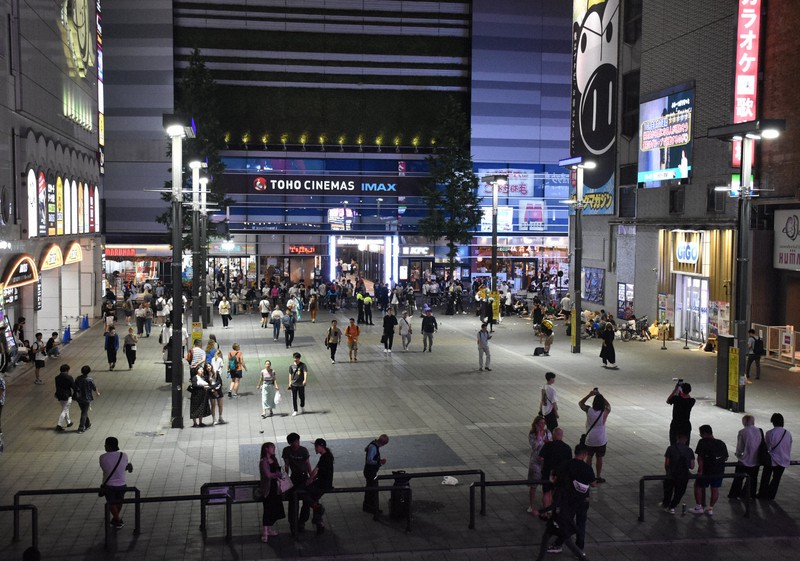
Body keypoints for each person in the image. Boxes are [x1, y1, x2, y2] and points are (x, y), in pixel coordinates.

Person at [536, 444, 595, 559]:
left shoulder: (566, 464)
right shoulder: (587, 468)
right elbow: (593, 483)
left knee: (565, 523)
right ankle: (579, 548)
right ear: (584, 454)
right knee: (581, 523)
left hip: (569, 501)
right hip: (583, 501)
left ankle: (558, 545)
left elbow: (554, 476)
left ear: (575, 452)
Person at [690, 424, 729, 515]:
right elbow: (725, 457)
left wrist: (700, 470)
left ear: (704, 433)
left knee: (698, 486)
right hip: (719, 471)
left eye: (700, 433)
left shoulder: (702, 442)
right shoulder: (721, 443)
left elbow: (700, 458)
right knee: (715, 489)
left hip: (706, 470)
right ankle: (710, 508)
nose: (700, 435)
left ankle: (699, 506)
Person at [302, 438, 334, 534]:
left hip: (323, 484)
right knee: (314, 498)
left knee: (305, 493)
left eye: (316, 446)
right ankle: (319, 523)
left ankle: (317, 509)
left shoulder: (325, 457)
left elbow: (315, 470)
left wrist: (309, 480)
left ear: (321, 447)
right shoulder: (327, 456)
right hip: (324, 483)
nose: (315, 448)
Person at [99, 436, 133, 529]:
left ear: (108, 446)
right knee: (119, 501)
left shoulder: (102, 457)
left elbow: (106, 469)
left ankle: (117, 520)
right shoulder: (124, 455)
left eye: (105, 445)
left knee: (111, 502)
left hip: (109, 484)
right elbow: (122, 467)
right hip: (122, 484)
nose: (104, 447)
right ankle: (116, 519)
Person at [758, 413, 793, 500]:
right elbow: (789, 445)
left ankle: (762, 494)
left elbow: (768, 447)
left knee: (765, 477)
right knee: (776, 479)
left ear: (773, 422)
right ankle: (771, 496)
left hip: (772, 459)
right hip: (784, 459)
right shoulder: (788, 433)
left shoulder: (770, 433)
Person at [282, 433, 312, 534]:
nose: (297, 443)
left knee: (306, 500)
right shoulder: (287, 450)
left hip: (303, 476)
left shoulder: (303, 450)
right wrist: (286, 478)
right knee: (293, 501)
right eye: (295, 442)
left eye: (298, 441)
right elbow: (286, 465)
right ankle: (293, 523)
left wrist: (310, 477)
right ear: (290, 443)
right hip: (294, 476)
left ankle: (302, 522)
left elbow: (308, 464)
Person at [538, 428, 573, 515]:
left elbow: (541, 458)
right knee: (556, 492)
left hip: (548, 472)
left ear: (554, 435)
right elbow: (569, 463)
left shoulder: (548, 446)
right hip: (560, 475)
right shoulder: (567, 448)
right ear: (561, 435)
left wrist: (543, 468)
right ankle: (553, 511)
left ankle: (546, 512)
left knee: (546, 492)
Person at [579, 389, 610, 483]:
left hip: (590, 439)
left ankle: (588, 475)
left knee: (589, 456)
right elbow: (608, 405)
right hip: (601, 439)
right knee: (599, 458)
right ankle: (598, 476)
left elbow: (580, 403)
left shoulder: (589, 410)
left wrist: (590, 395)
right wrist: (601, 395)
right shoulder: (605, 411)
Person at [728, 414, 762, 500]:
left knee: (739, 477)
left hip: (745, 459)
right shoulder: (759, 430)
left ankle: (734, 494)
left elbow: (740, 447)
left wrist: (738, 454)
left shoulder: (742, 431)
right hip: (756, 459)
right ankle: (750, 494)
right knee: (753, 478)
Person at [661, 433, 695, 513]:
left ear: (677, 438)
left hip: (672, 474)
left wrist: (668, 471)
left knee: (668, 490)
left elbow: (667, 463)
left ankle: (666, 504)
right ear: (686, 439)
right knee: (679, 492)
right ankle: (672, 507)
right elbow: (692, 466)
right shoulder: (689, 450)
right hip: (683, 475)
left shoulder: (670, 448)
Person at [259, 441, 286, 542]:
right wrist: (277, 475)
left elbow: (278, 470)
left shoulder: (274, 459)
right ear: (266, 449)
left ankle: (269, 528)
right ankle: (265, 531)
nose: (274, 449)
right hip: (268, 489)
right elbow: (267, 475)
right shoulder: (264, 461)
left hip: (275, 488)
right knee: (267, 509)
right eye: (272, 448)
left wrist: (279, 473)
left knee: (275, 508)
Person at [527, 415, 552, 516]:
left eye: (544, 423)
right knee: (534, 485)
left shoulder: (548, 432)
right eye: (541, 423)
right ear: (536, 424)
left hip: (545, 462)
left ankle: (547, 505)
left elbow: (550, 444)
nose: (543, 425)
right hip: (536, 461)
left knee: (547, 485)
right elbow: (535, 447)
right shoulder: (532, 434)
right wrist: (538, 435)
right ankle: (531, 505)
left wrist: (547, 442)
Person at [363, 434, 389, 515]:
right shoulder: (373, 447)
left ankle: (368, 506)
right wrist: (379, 462)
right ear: (383, 442)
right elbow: (369, 460)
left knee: (369, 489)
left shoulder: (373, 445)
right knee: (372, 490)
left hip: (369, 471)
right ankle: (372, 508)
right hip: (370, 472)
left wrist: (378, 461)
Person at [666, 380, 695, 445]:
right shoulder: (692, 401)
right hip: (686, 425)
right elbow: (687, 397)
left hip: (675, 424)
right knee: (685, 445)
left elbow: (668, 400)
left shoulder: (676, 399)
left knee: (673, 444)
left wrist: (676, 389)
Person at [74, 365, 99, 433]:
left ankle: (88, 424)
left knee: (83, 411)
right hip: (87, 398)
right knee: (84, 412)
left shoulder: (78, 378)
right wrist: (97, 392)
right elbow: (94, 387)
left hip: (79, 398)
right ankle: (81, 427)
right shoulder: (90, 379)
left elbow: (75, 386)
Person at [54, 364, 75, 432]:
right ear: (67, 370)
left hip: (59, 395)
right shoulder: (69, 377)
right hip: (67, 395)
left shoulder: (57, 377)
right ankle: (59, 425)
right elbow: (73, 386)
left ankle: (69, 422)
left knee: (65, 408)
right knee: (64, 410)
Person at [189, 362, 211, 427]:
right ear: (197, 371)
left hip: (203, 395)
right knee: (195, 408)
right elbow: (194, 385)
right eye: (200, 369)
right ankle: (195, 423)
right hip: (196, 395)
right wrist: (202, 387)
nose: (201, 370)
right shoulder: (195, 378)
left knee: (201, 408)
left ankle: (200, 422)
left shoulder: (204, 377)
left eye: (202, 369)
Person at [206, 360, 225, 425]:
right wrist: (212, 389)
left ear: (211, 366)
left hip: (218, 390)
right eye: (207, 367)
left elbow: (219, 381)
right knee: (213, 405)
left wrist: (214, 387)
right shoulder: (206, 375)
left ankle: (220, 417)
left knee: (220, 405)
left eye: (209, 366)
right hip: (211, 391)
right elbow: (206, 383)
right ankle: (214, 419)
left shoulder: (216, 373)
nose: (208, 367)